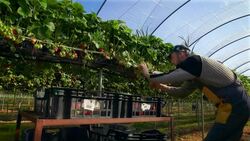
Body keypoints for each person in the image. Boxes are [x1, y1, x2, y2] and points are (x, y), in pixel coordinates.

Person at [139, 45, 250, 141]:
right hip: (235, 106)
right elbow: (182, 92)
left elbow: (169, 76)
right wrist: (162, 87)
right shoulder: (194, 73)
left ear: (182, 53)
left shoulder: (194, 61)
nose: (170, 60)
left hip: (235, 106)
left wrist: (147, 74)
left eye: (171, 56)